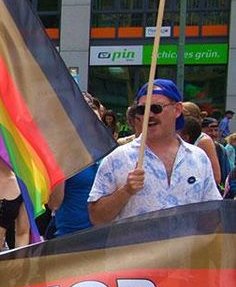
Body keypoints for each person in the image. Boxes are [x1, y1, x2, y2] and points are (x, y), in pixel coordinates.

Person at [88, 79, 221, 224]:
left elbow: (213, 215)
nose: (149, 115)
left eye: (156, 108)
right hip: (136, 246)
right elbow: (96, 218)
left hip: (187, 247)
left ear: (177, 109)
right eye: (142, 109)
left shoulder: (198, 158)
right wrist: (126, 190)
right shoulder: (117, 158)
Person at [46, 93, 105, 237]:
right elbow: (54, 204)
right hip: (71, 239)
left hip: (104, 238)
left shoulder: (108, 154)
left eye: (97, 122)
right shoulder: (63, 155)